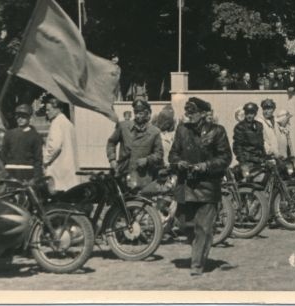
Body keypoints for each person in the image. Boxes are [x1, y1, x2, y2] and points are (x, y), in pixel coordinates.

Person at [168, 97, 232, 276]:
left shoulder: (217, 132)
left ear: (204, 114)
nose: (189, 115)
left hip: (207, 186)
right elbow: (172, 154)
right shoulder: (182, 130)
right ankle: (197, 251)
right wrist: (178, 162)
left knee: (204, 228)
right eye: (187, 111)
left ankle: (197, 264)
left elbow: (225, 158)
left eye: (193, 112)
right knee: (185, 226)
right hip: (185, 186)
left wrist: (206, 166)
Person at [106, 99, 163, 189]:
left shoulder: (154, 132)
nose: (137, 116)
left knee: (139, 202)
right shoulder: (123, 127)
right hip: (123, 174)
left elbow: (159, 154)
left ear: (147, 114)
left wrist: (147, 160)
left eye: (141, 113)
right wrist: (112, 159)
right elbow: (111, 142)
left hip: (142, 177)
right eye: (136, 112)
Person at [42, 95, 80, 192]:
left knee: (57, 194)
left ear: (58, 109)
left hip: (59, 167)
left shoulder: (56, 123)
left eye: (48, 110)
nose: (47, 113)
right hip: (68, 166)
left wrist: (45, 160)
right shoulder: (68, 123)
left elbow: (54, 146)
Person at [2, 104, 43, 180]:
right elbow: (3, 155)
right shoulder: (9, 134)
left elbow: (38, 159)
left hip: (28, 173)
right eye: (18, 116)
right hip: (11, 172)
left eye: (23, 116)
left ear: (29, 118)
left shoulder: (35, 136)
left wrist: (36, 178)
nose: (20, 119)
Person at [232, 102, 266, 167]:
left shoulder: (259, 125)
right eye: (247, 113)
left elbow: (261, 144)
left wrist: (264, 157)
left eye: (252, 113)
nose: (249, 116)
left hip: (260, 160)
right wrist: (243, 161)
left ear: (255, 114)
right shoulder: (240, 127)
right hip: (248, 160)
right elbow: (237, 146)